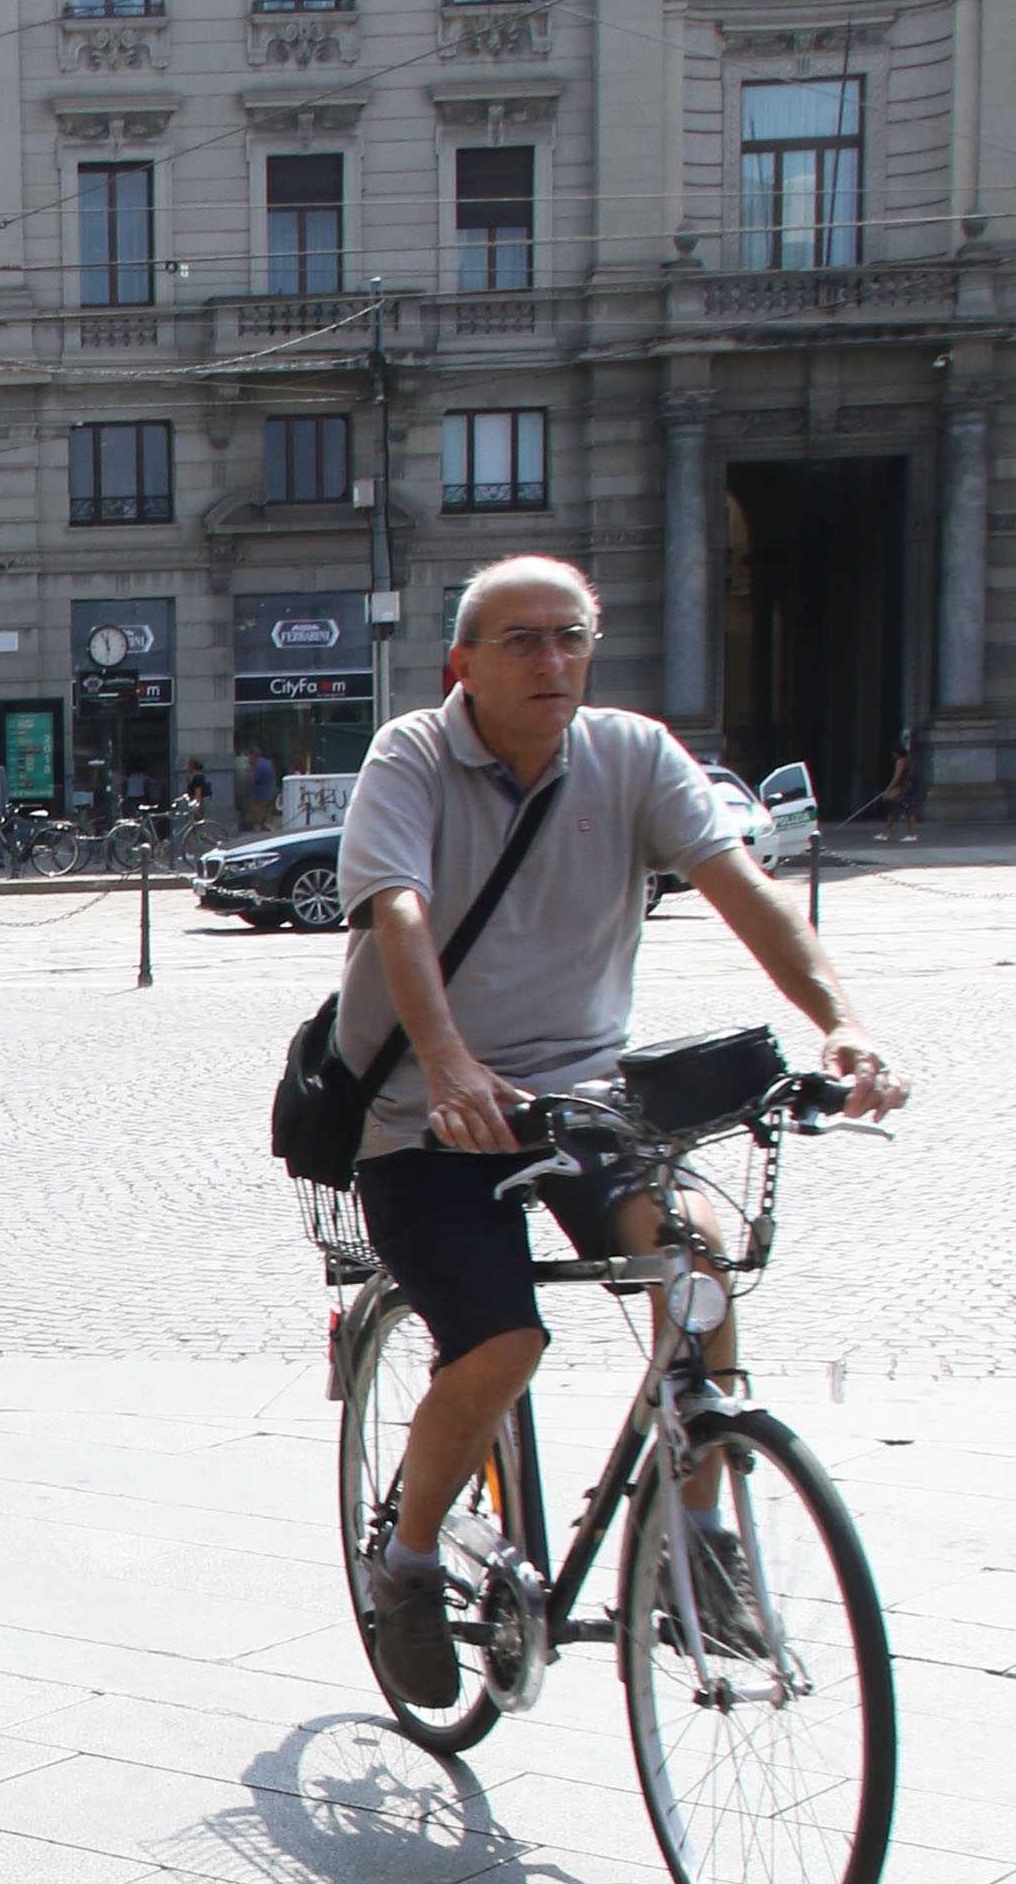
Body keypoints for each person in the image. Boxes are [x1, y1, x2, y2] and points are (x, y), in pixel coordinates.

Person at [336, 551, 905, 1717]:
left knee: (697, 1260)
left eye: (572, 636)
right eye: (524, 641)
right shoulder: (411, 756)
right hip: (420, 1116)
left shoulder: (632, 754)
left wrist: (842, 1020)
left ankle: (696, 1537)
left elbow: (738, 883)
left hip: (580, 1098)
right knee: (501, 1345)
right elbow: (398, 912)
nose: (554, 661)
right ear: (464, 664)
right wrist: (448, 1066)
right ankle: (407, 1561)